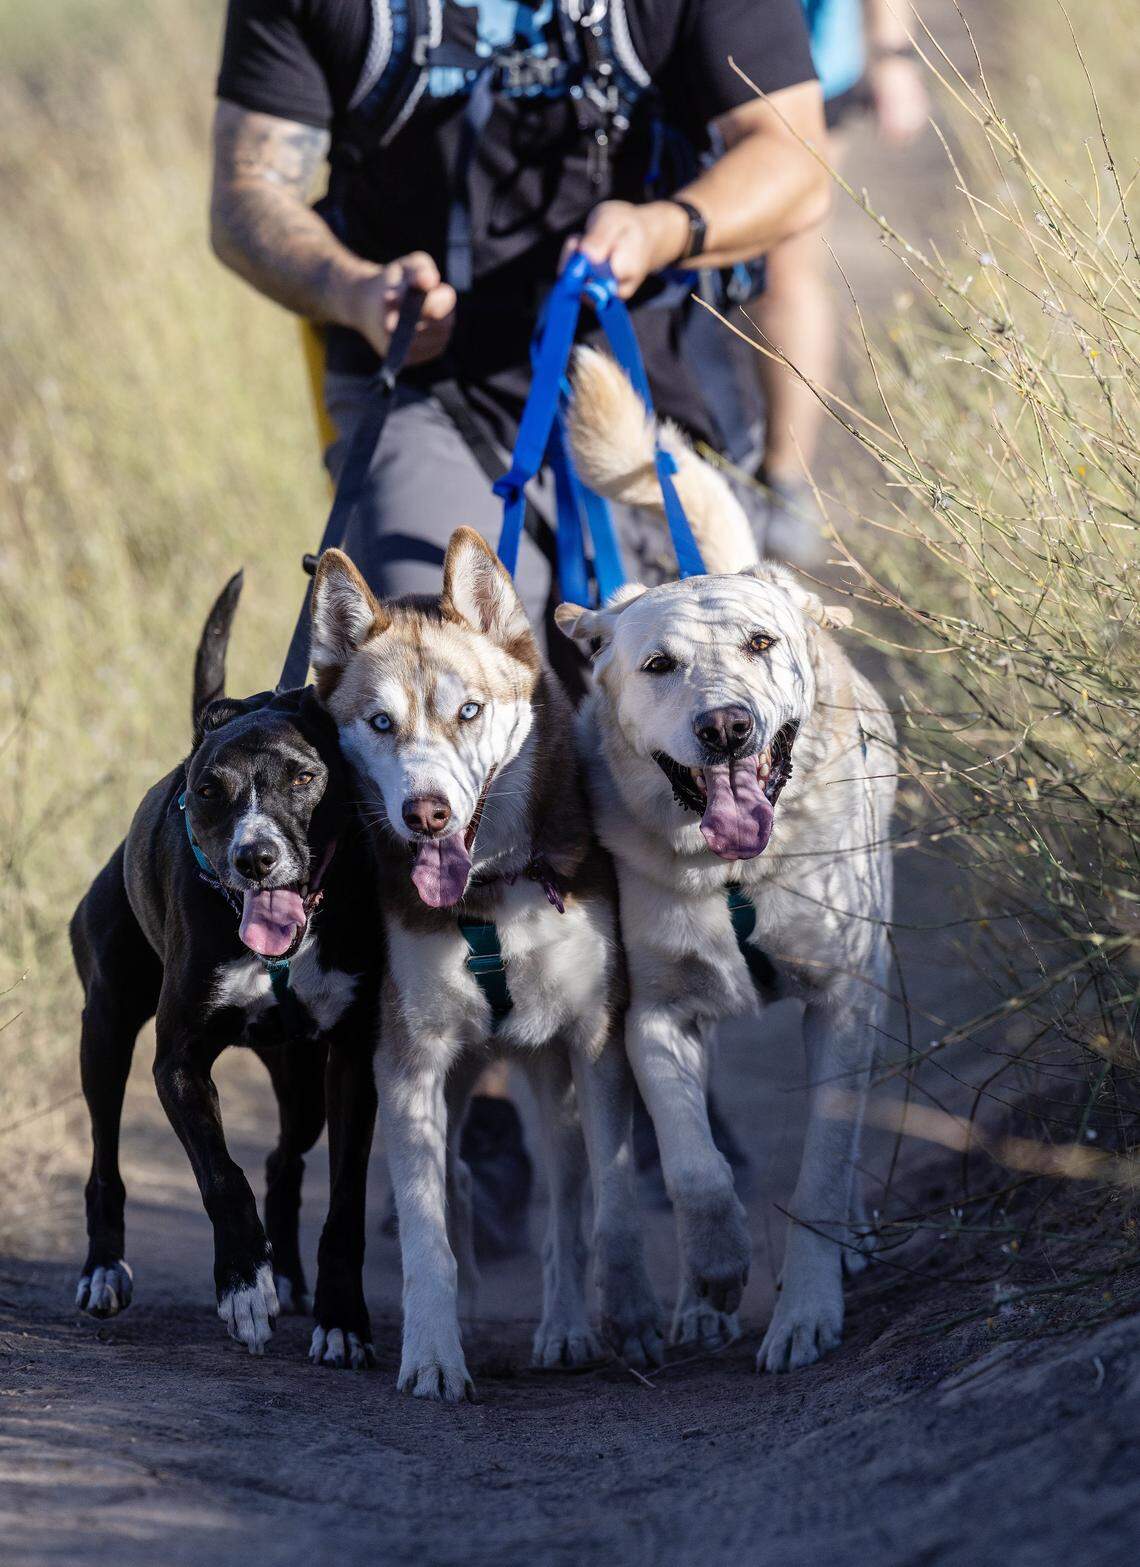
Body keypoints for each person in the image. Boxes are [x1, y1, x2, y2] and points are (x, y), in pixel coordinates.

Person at [210, 0, 830, 1251]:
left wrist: (667, 227)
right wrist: (351, 281)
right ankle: (462, 1084)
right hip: (419, 388)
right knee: (408, 721)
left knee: (643, 733)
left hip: (632, 373)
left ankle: (655, 1055)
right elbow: (245, 193)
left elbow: (794, 154)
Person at [752, 0, 931, 565]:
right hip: (652, 47)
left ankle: (784, 480)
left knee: (783, 269)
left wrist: (893, 52)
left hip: (806, 57)